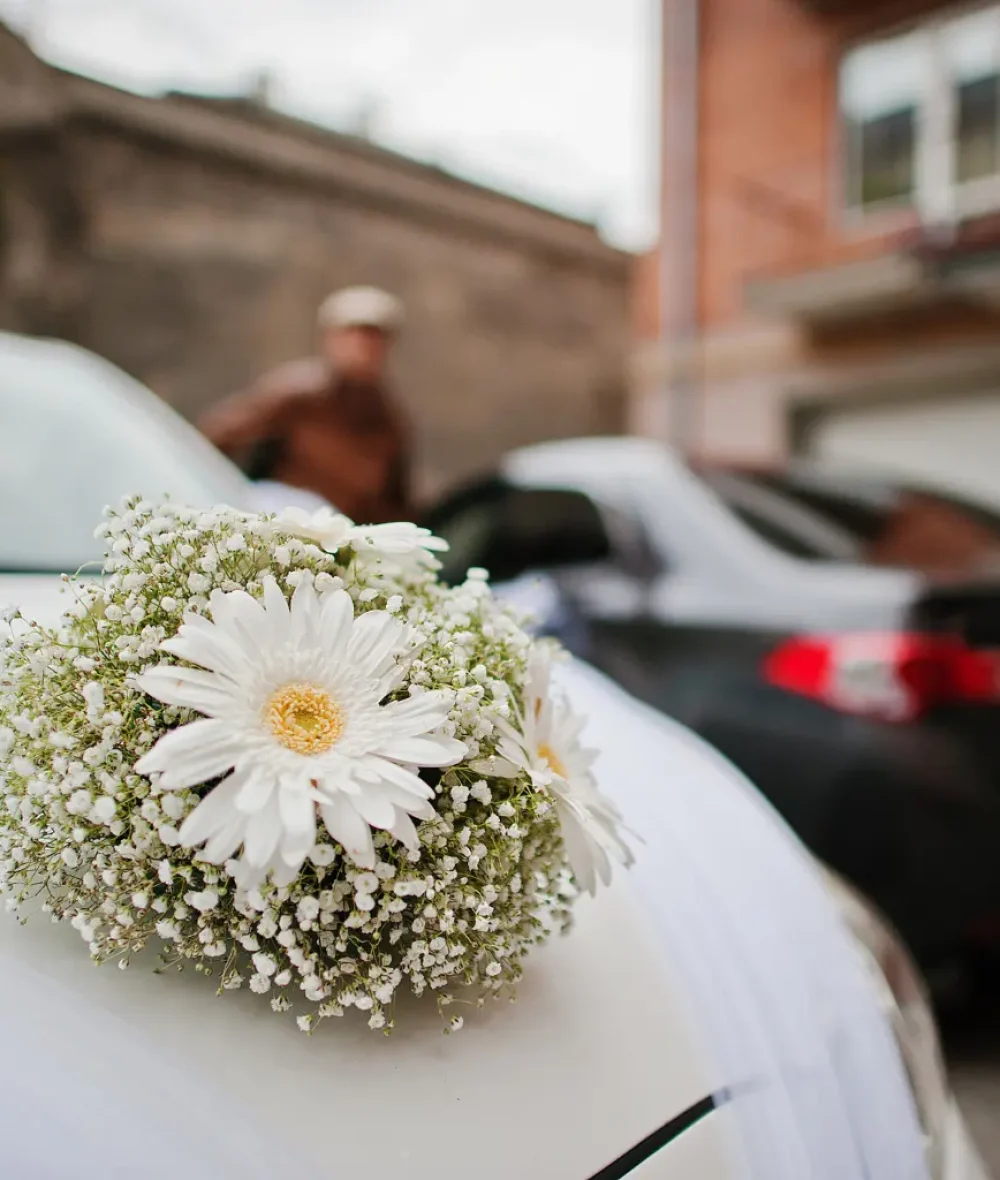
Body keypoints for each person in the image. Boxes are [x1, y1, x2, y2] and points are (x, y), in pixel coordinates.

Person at [199, 286, 410, 524]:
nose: (362, 347)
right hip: (273, 524)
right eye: (353, 335)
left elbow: (393, 502)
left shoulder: (388, 420)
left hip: (337, 539)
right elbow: (218, 435)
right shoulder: (296, 393)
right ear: (332, 338)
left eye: (373, 338)